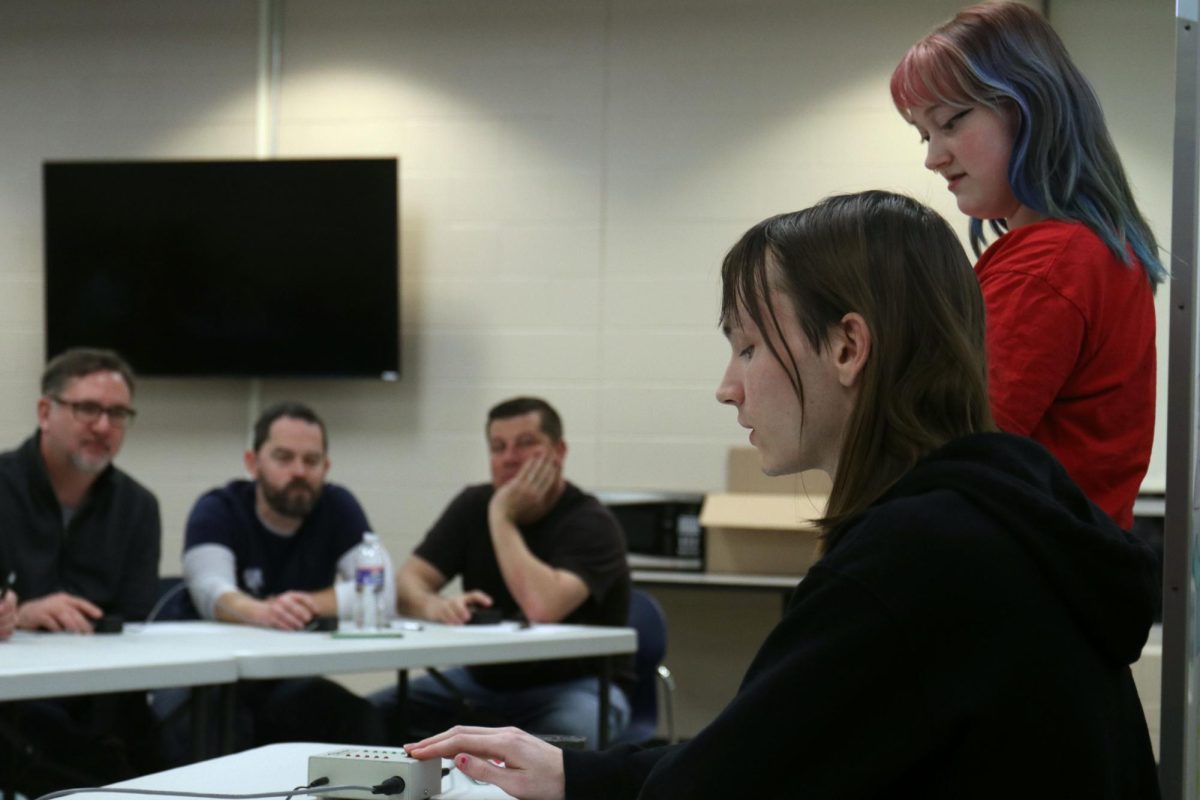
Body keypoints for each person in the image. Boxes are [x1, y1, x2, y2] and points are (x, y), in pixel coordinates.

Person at [404, 191, 1160, 798]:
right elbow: (764, 753)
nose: (727, 387)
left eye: (749, 346)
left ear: (847, 347)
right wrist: (574, 773)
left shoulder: (912, 561)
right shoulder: (1002, 521)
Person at [889, 2, 1165, 530]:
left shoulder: (1048, 264)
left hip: (1025, 575)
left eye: (950, 122)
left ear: (1030, 106)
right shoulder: (1087, 252)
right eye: (926, 135)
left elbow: (951, 451)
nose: (934, 156)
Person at [375, 397, 632, 749]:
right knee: (367, 715)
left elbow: (541, 608)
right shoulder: (471, 505)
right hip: (477, 684)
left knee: (554, 750)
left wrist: (501, 515)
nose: (510, 458)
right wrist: (433, 606)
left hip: (575, 687)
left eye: (526, 444)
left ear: (558, 452)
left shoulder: (591, 522)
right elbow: (405, 584)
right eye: (498, 448)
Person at [179, 401, 388, 748]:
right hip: (206, 678)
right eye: (283, 457)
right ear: (252, 463)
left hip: (283, 677)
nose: (299, 471)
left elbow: (382, 589)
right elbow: (209, 590)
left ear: (326, 466)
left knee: (360, 719)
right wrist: (263, 611)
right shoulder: (217, 508)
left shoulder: (337, 506)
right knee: (216, 732)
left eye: (311, 460)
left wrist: (305, 604)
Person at [0, 347, 163, 792]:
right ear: (45, 411)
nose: (104, 426)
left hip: (106, 701)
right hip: (15, 699)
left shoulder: (138, 506)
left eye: (118, 413)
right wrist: (26, 611)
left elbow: (134, 613)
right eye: (88, 409)